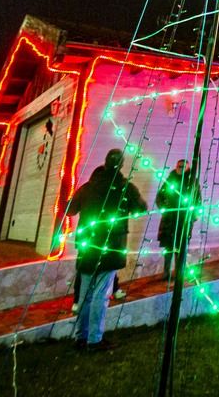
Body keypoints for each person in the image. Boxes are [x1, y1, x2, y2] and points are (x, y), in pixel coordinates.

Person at [65, 148, 146, 351]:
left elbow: (70, 209)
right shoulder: (124, 187)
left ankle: (81, 337)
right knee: (101, 295)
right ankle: (94, 340)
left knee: (85, 295)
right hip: (111, 247)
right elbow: (141, 208)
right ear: (122, 164)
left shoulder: (88, 187)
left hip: (89, 245)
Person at [157, 160, 200, 280]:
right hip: (169, 219)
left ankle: (179, 273)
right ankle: (166, 273)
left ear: (187, 168)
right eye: (178, 166)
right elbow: (160, 196)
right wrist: (164, 209)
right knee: (168, 247)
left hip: (184, 219)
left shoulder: (192, 182)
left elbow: (198, 200)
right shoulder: (170, 180)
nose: (180, 169)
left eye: (183, 167)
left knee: (180, 248)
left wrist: (193, 216)